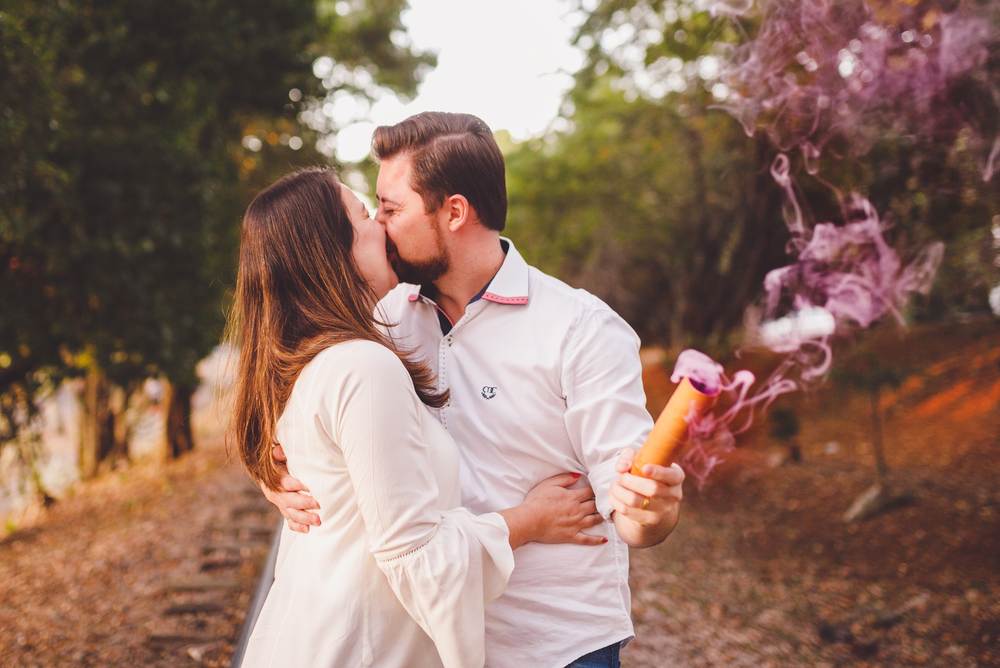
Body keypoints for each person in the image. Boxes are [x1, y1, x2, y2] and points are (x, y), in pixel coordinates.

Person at [267, 113, 686, 668]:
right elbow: (304, 408)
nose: (381, 226)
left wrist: (652, 509)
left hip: (554, 644)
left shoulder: (580, 328)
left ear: (454, 212)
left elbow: (630, 510)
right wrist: (274, 474)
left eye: (391, 209)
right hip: (430, 640)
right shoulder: (380, 320)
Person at [230, 168, 608, 668]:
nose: (381, 227)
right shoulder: (362, 366)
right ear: (329, 249)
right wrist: (529, 520)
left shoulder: (307, 359)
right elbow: (417, 559)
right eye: (366, 214)